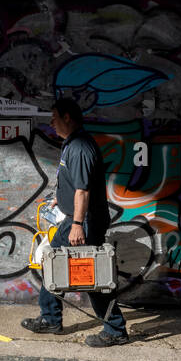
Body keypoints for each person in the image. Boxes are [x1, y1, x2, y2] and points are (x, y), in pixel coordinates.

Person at [22, 98, 129, 347]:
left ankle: (115, 330)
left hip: (83, 222)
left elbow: (83, 190)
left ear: (67, 117)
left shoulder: (80, 147)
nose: (51, 122)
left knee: (92, 275)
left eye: (54, 117)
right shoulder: (73, 144)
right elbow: (75, 188)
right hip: (75, 219)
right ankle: (50, 318)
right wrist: (61, 201)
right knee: (52, 264)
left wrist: (78, 224)